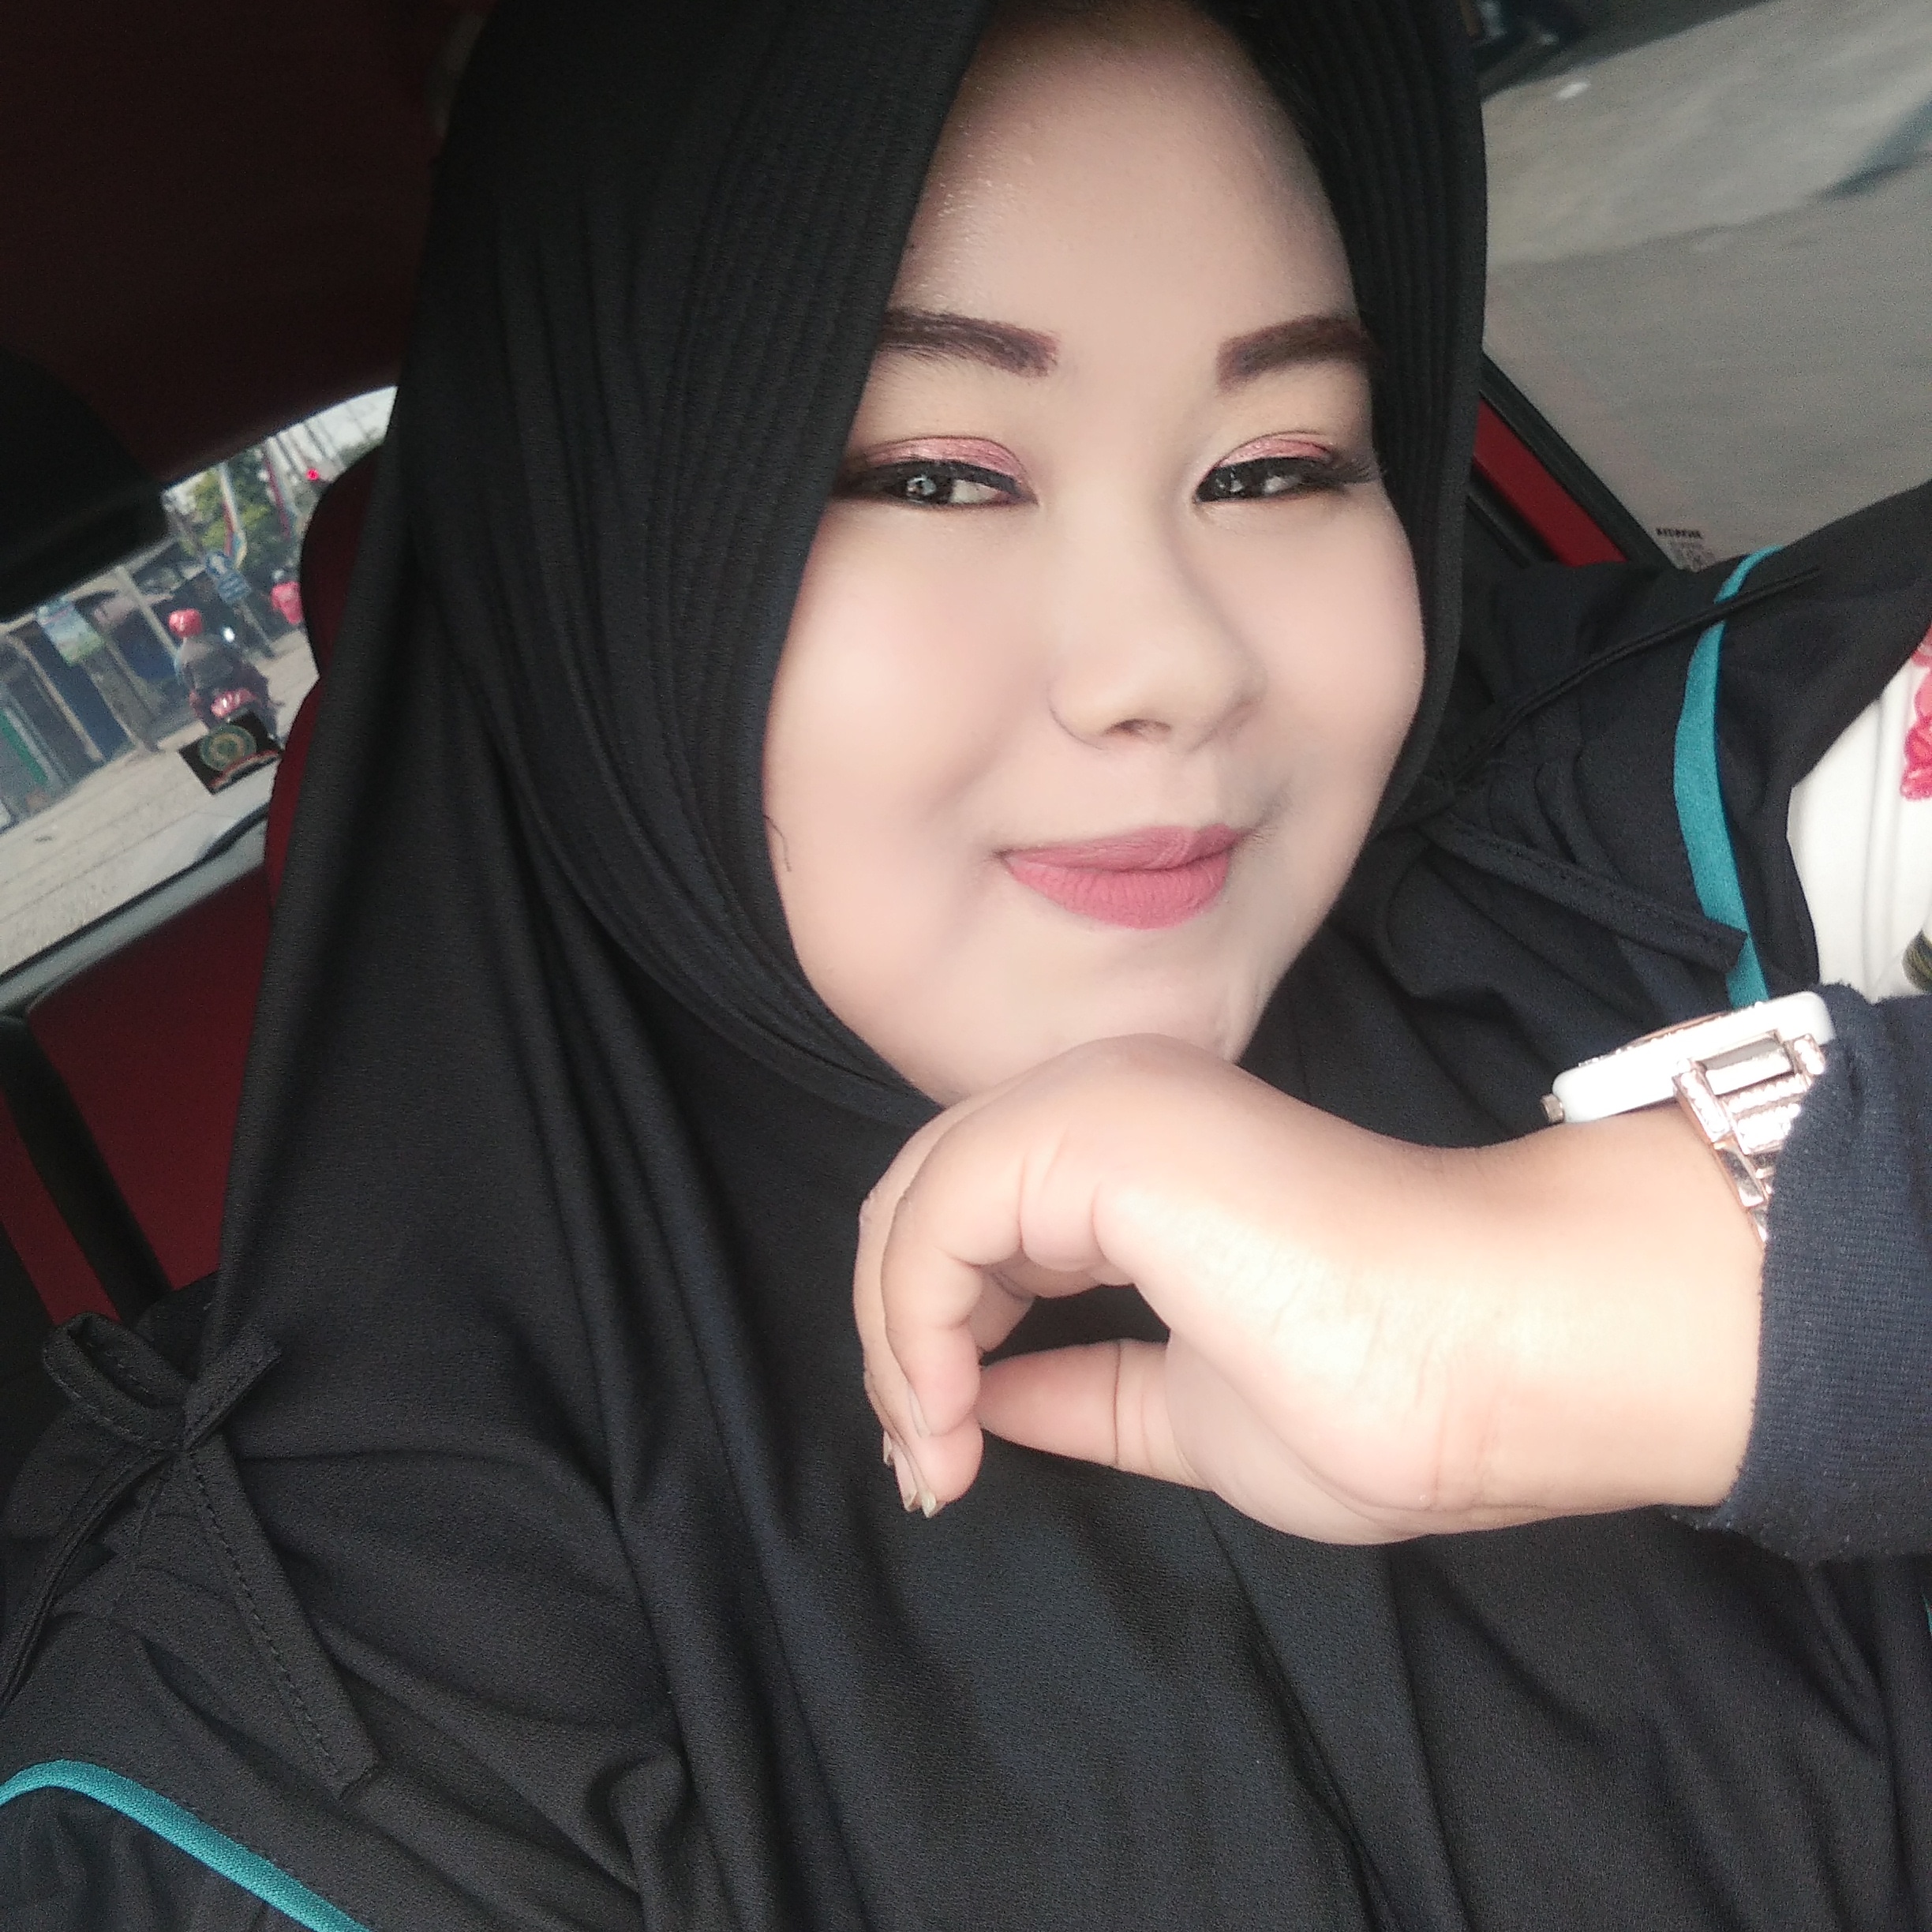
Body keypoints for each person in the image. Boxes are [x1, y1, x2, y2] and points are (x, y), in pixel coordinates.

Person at [2, 0, 1928, 1926]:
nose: (1169, 664)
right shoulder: (312, 1749)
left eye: (1278, 466)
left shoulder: (1684, 840)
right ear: (602, 562)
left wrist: (1751, 1286)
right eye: (934, 475)